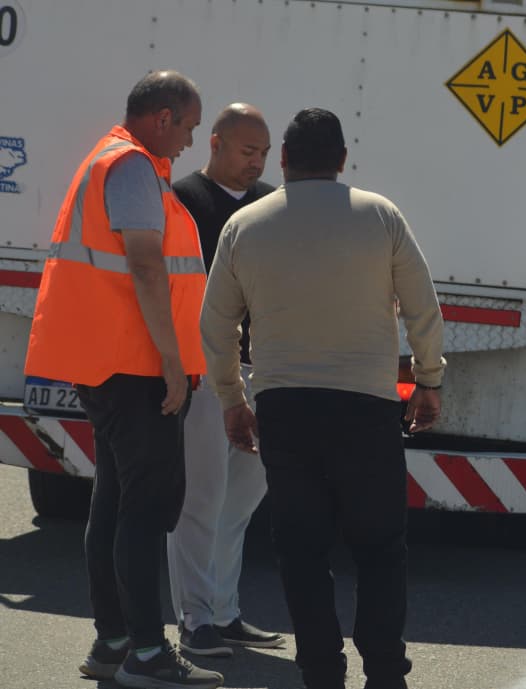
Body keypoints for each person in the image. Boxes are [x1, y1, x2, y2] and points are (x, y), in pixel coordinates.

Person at [199, 108, 445, 689]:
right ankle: (385, 673)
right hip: (366, 407)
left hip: (284, 408)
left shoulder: (244, 224)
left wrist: (232, 397)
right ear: (342, 160)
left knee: (302, 549)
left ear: (283, 158)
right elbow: (422, 307)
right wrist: (428, 380)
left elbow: (216, 325)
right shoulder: (380, 215)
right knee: (380, 548)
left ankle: (321, 672)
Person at [23, 71, 223, 688]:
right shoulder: (133, 167)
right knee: (144, 507)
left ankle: (113, 644)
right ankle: (147, 653)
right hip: (136, 368)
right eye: (188, 127)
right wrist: (172, 362)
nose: (190, 142)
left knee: (113, 502)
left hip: (110, 364)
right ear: (162, 117)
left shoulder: (112, 160)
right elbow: (145, 265)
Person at [167, 103, 283, 656]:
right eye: (247, 151)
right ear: (214, 144)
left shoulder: (270, 205)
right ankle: (194, 620)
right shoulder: (182, 200)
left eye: (263, 153)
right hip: (206, 370)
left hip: (262, 369)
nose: (256, 162)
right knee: (201, 497)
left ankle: (224, 610)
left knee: (240, 502)